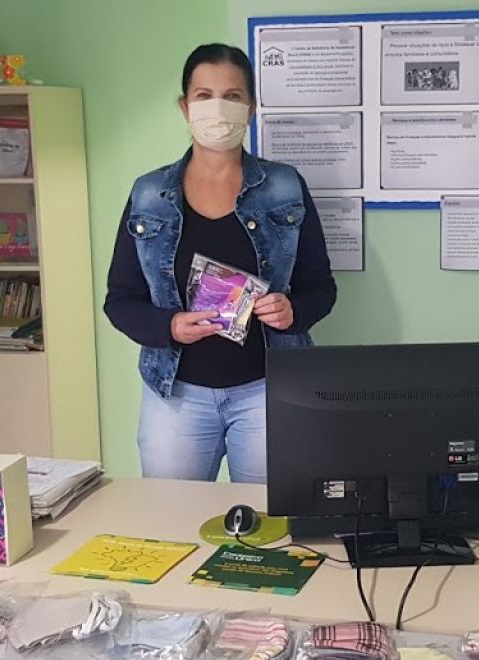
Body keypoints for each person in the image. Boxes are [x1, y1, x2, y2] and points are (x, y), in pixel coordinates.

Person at [105, 43, 337, 485]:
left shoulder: (285, 186)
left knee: (269, 519)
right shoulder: (149, 194)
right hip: (175, 394)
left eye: (232, 96)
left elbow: (321, 287)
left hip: (269, 392)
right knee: (171, 517)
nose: (217, 107)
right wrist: (169, 326)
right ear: (185, 107)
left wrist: (293, 310)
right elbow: (120, 301)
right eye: (203, 95)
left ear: (251, 108)